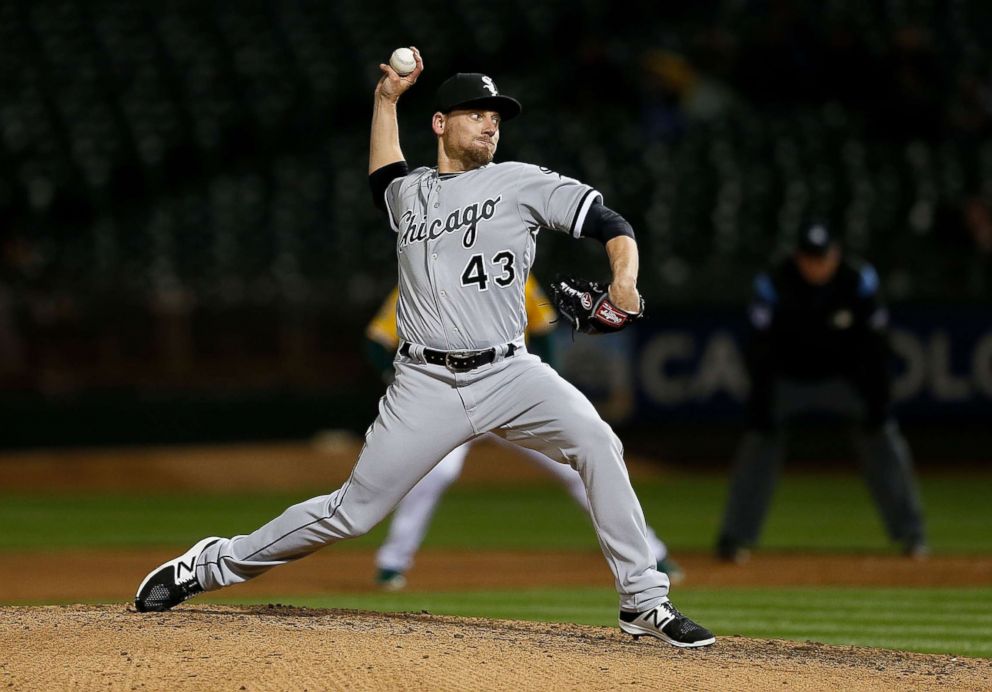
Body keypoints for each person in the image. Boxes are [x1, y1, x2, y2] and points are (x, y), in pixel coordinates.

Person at [135, 49, 714, 648]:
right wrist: (386, 100)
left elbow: (613, 224)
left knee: (597, 441)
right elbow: (383, 172)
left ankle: (644, 602)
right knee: (351, 514)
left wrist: (624, 283)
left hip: (509, 373)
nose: (491, 123)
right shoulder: (408, 195)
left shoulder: (523, 181)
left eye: (497, 115)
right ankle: (208, 564)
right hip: (423, 384)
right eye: (476, 112)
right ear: (440, 122)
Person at [365, 280, 684, 590]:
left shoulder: (512, 272)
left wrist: (544, 390)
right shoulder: (426, 278)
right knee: (437, 475)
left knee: (577, 468)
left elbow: (544, 331)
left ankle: (652, 552)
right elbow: (376, 338)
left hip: (510, 399)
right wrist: (397, 378)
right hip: (452, 403)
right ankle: (393, 561)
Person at [715, 221, 928, 563]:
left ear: (836, 254)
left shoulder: (857, 279)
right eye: (810, 258)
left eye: (823, 257)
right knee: (757, 443)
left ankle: (912, 534)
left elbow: (876, 345)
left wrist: (877, 401)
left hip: (846, 381)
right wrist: (761, 404)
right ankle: (734, 537)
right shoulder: (774, 281)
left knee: (884, 437)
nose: (817, 265)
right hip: (787, 382)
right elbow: (758, 349)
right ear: (798, 257)